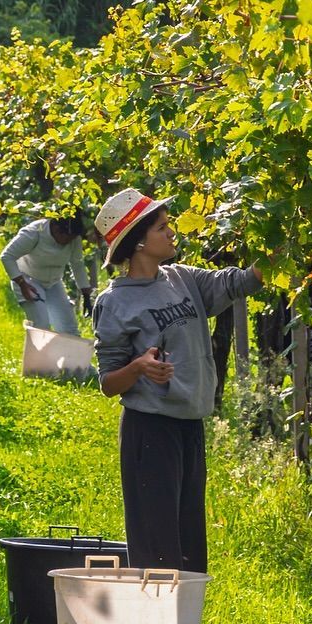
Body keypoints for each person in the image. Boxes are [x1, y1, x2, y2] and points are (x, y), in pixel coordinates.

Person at [92, 187, 261, 574]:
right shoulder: (115, 303)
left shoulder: (182, 279)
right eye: (162, 228)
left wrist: (276, 257)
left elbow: (233, 283)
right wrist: (138, 367)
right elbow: (108, 382)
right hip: (149, 429)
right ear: (137, 242)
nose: (172, 234)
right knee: (157, 542)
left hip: (189, 425)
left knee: (187, 541)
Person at [0, 213, 96, 336]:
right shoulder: (35, 232)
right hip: (28, 280)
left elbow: (77, 264)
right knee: (41, 327)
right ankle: (37, 355)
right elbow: (7, 256)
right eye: (67, 238)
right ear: (56, 229)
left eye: (72, 238)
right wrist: (22, 284)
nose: (68, 243)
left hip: (53, 283)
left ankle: (67, 355)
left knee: (69, 329)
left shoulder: (73, 238)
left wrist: (86, 296)